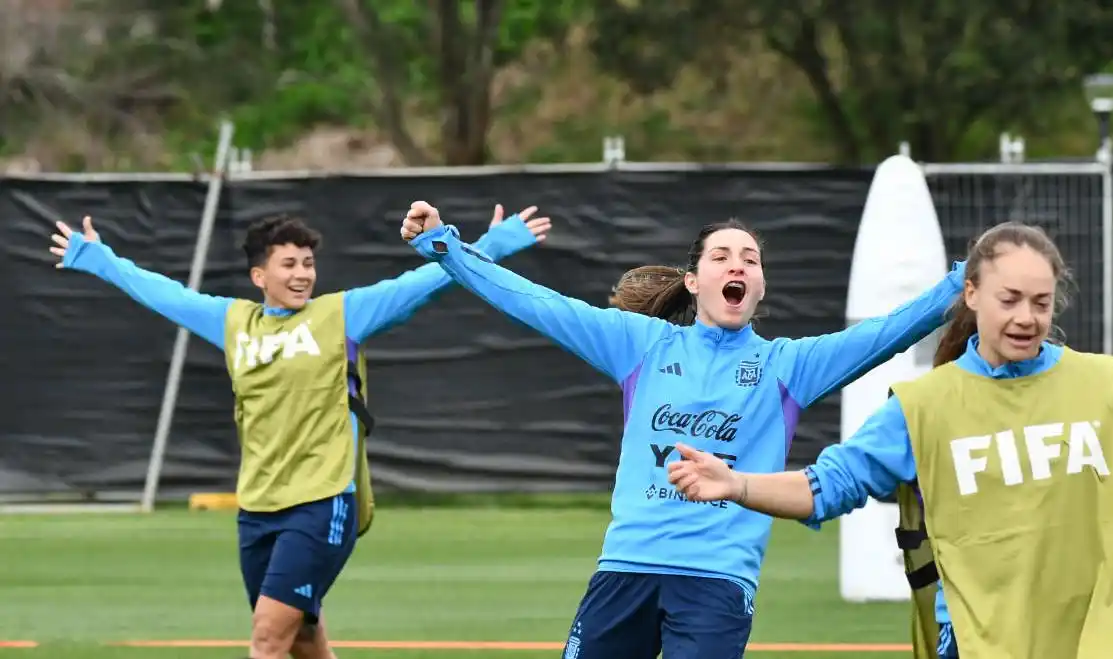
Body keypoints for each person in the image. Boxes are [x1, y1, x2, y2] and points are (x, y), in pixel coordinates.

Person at [398, 200, 966, 659]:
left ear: (761, 288)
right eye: (722, 257)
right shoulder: (642, 345)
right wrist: (442, 245)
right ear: (694, 282)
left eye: (750, 259)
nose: (738, 265)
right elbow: (537, 303)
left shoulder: (788, 366)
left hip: (717, 584)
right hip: (626, 568)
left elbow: (889, 330)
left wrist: (970, 280)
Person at [47, 205, 551, 659]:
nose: (302, 274)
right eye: (288, 265)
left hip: (323, 501)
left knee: (268, 638)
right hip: (258, 509)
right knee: (305, 643)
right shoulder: (233, 322)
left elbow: (423, 284)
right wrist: (97, 259)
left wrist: (491, 246)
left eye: (308, 264)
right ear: (258, 274)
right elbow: (164, 294)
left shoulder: (341, 315)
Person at [665, 221, 1113, 659]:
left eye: (1041, 303)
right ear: (971, 294)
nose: (1026, 318)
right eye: (1009, 300)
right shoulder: (925, 407)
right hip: (979, 641)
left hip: (1091, 638)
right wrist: (737, 484)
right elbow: (829, 486)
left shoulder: (1101, 385)